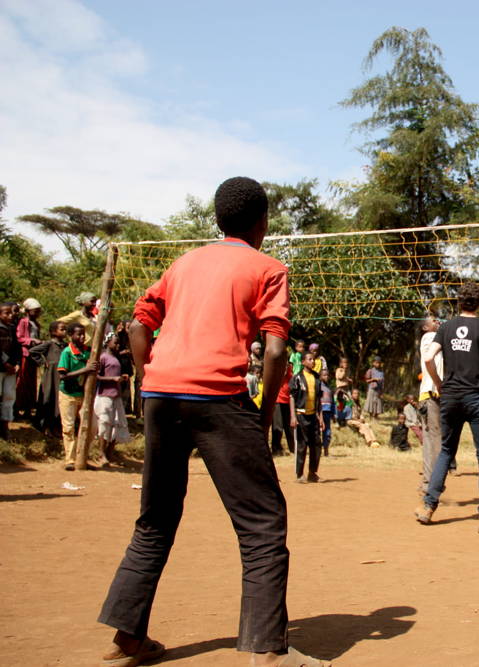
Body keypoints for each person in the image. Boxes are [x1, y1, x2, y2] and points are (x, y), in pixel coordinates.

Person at [97, 176, 328, 667]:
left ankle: (127, 639)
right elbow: (275, 348)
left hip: (161, 394)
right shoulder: (268, 267)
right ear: (262, 222)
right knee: (262, 523)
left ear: (218, 220)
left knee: (155, 520)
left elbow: (138, 325)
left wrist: (148, 377)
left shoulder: (183, 263)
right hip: (218, 397)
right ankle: (268, 652)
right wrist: (263, 417)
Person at [415, 282, 479, 533]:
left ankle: (427, 507)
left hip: (451, 398)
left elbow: (428, 358)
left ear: (458, 302)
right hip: (477, 398)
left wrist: (438, 383)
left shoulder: (446, 328)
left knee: (446, 451)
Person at [56, 323, 97, 469]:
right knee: (68, 427)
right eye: (78, 334)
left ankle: (82, 455)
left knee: (92, 427)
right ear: (71, 336)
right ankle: (70, 459)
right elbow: (63, 375)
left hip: (83, 394)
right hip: (68, 394)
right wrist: (85, 370)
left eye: (83, 334)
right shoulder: (67, 352)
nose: (81, 337)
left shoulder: (88, 352)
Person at [95, 332, 130, 465]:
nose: (117, 345)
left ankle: (110, 453)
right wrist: (112, 378)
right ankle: (101, 454)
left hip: (116, 394)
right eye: (115, 342)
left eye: (118, 342)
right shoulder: (103, 357)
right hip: (105, 394)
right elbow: (97, 376)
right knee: (104, 424)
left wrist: (121, 378)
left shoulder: (115, 358)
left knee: (116, 424)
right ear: (108, 342)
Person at [289, 350, 323, 483]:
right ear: (303, 362)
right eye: (309, 359)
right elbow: (291, 397)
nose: (312, 361)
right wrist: (293, 416)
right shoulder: (297, 377)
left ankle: (312, 473)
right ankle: (299, 474)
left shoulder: (316, 377)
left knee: (316, 444)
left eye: (313, 359)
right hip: (300, 415)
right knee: (302, 445)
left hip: (313, 416)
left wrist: (320, 417)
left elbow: (319, 399)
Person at [418, 316, 443, 494]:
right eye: (434, 321)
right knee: (435, 441)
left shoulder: (435, 339)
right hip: (431, 394)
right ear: (426, 328)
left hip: (432, 394)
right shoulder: (429, 337)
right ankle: (432, 485)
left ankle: (428, 483)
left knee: (431, 440)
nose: (438, 322)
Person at [29, 321, 67, 437]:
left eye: (65, 329)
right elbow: (33, 351)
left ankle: (56, 427)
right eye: (62, 329)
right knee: (48, 398)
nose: (65, 331)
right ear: (53, 332)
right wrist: (43, 362)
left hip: (61, 377)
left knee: (58, 401)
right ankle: (45, 426)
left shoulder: (65, 346)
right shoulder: (49, 344)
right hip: (50, 376)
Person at [15, 297, 42, 418]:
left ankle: (28, 407)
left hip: (33, 355)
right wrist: (31, 341)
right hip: (25, 354)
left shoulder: (36, 324)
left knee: (31, 382)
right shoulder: (23, 322)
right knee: (22, 381)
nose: (37, 313)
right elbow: (20, 337)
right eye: (35, 311)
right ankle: (17, 407)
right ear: (28, 311)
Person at [0, 302, 22, 440]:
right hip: (1, 368)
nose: (10, 315)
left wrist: (17, 363)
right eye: (6, 313)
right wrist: (4, 363)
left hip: (10, 370)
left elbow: (16, 348)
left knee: (9, 396)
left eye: (10, 313)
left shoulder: (12, 329)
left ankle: (5, 426)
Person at [270, 364, 294, 456]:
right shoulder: (276, 372)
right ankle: (276, 449)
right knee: (278, 426)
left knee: (289, 426)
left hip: (287, 402)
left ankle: (293, 448)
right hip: (277, 401)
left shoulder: (289, 373)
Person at [319, 368, 333, 455]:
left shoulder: (328, 388)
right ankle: (318, 450)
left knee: (327, 431)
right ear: (320, 376)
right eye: (324, 375)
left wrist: (333, 413)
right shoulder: (318, 386)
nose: (326, 376)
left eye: (327, 375)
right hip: (320, 411)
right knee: (318, 431)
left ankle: (326, 450)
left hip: (328, 411)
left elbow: (332, 401)